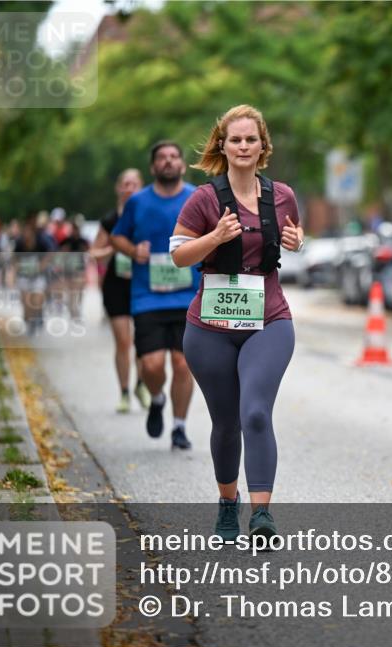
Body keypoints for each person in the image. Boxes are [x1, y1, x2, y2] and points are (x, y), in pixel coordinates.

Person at [171, 104, 303, 539]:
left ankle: (262, 514)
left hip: (268, 320)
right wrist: (215, 237)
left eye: (251, 139)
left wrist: (298, 241)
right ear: (222, 146)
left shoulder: (282, 196)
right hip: (210, 328)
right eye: (236, 139)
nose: (244, 146)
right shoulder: (204, 199)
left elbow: (293, 235)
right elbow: (178, 255)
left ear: (263, 146)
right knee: (227, 423)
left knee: (256, 413)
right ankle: (229, 504)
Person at [111, 141, 199, 450]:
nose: (168, 161)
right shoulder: (138, 202)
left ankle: (179, 427)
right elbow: (117, 237)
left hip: (189, 296)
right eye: (162, 157)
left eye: (174, 156)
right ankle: (158, 398)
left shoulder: (196, 198)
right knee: (151, 365)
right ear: (153, 167)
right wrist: (134, 250)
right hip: (147, 296)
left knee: (183, 364)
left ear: (183, 165)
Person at [91, 168, 150, 413]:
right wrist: (116, 248)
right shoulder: (110, 220)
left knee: (144, 341)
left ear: (142, 188)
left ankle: (141, 385)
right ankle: (124, 392)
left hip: (143, 284)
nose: (129, 188)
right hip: (116, 286)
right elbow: (94, 253)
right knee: (123, 342)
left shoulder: (147, 216)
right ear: (118, 188)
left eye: (134, 184)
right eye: (125, 184)